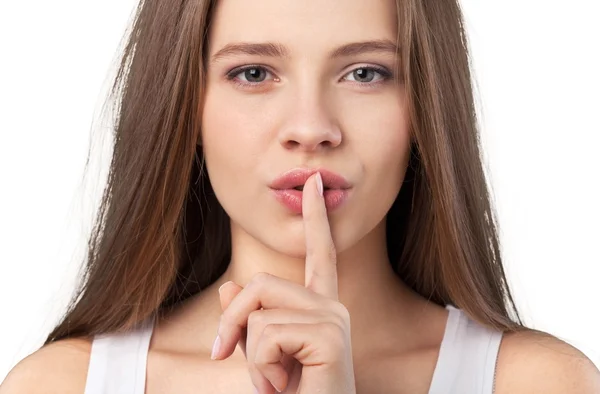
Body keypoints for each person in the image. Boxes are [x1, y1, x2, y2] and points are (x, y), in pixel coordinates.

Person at [2, 0, 599, 393]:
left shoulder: (537, 383)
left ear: (426, 109)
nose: (311, 127)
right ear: (187, 106)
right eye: (254, 73)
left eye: (365, 73)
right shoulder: (59, 385)